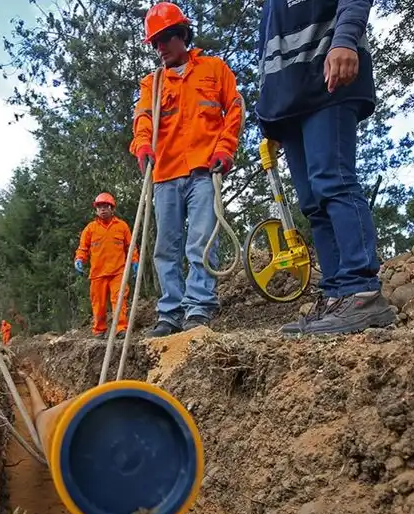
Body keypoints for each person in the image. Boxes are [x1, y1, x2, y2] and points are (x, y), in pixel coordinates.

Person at [257, 0, 396, 335]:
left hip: (327, 79)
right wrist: (268, 116)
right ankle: (336, 295)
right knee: (312, 202)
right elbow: (267, 52)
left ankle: (361, 291)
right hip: (287, 102)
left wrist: (345, 39)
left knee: (333, 182)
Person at [130, 2, 245, 338]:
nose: (159, 48)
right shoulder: (152, 83)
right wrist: (142, 145)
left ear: (181, 34)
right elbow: (143, 119)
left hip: (204, 171)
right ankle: (170, 313)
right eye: (154, 43)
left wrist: (225, 149)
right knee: (165, 248)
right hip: (165, 174)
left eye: (164, 39)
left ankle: (199, 308)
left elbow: (234, 109)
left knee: (201, 242)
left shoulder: (214, 69)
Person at [74, 192, 139, 339]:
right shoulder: (90, 229)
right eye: (99, 207)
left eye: (105, 206)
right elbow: (83, 248)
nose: (102, 209)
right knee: (99, 304)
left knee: (120, 300)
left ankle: (120, 328)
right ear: (96, 210)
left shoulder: (122, 226)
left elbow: (131, 247)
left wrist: (135, 261)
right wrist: (79, 259)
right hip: (98, 273)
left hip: (118, 272)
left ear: (112, 208)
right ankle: (99, 330)